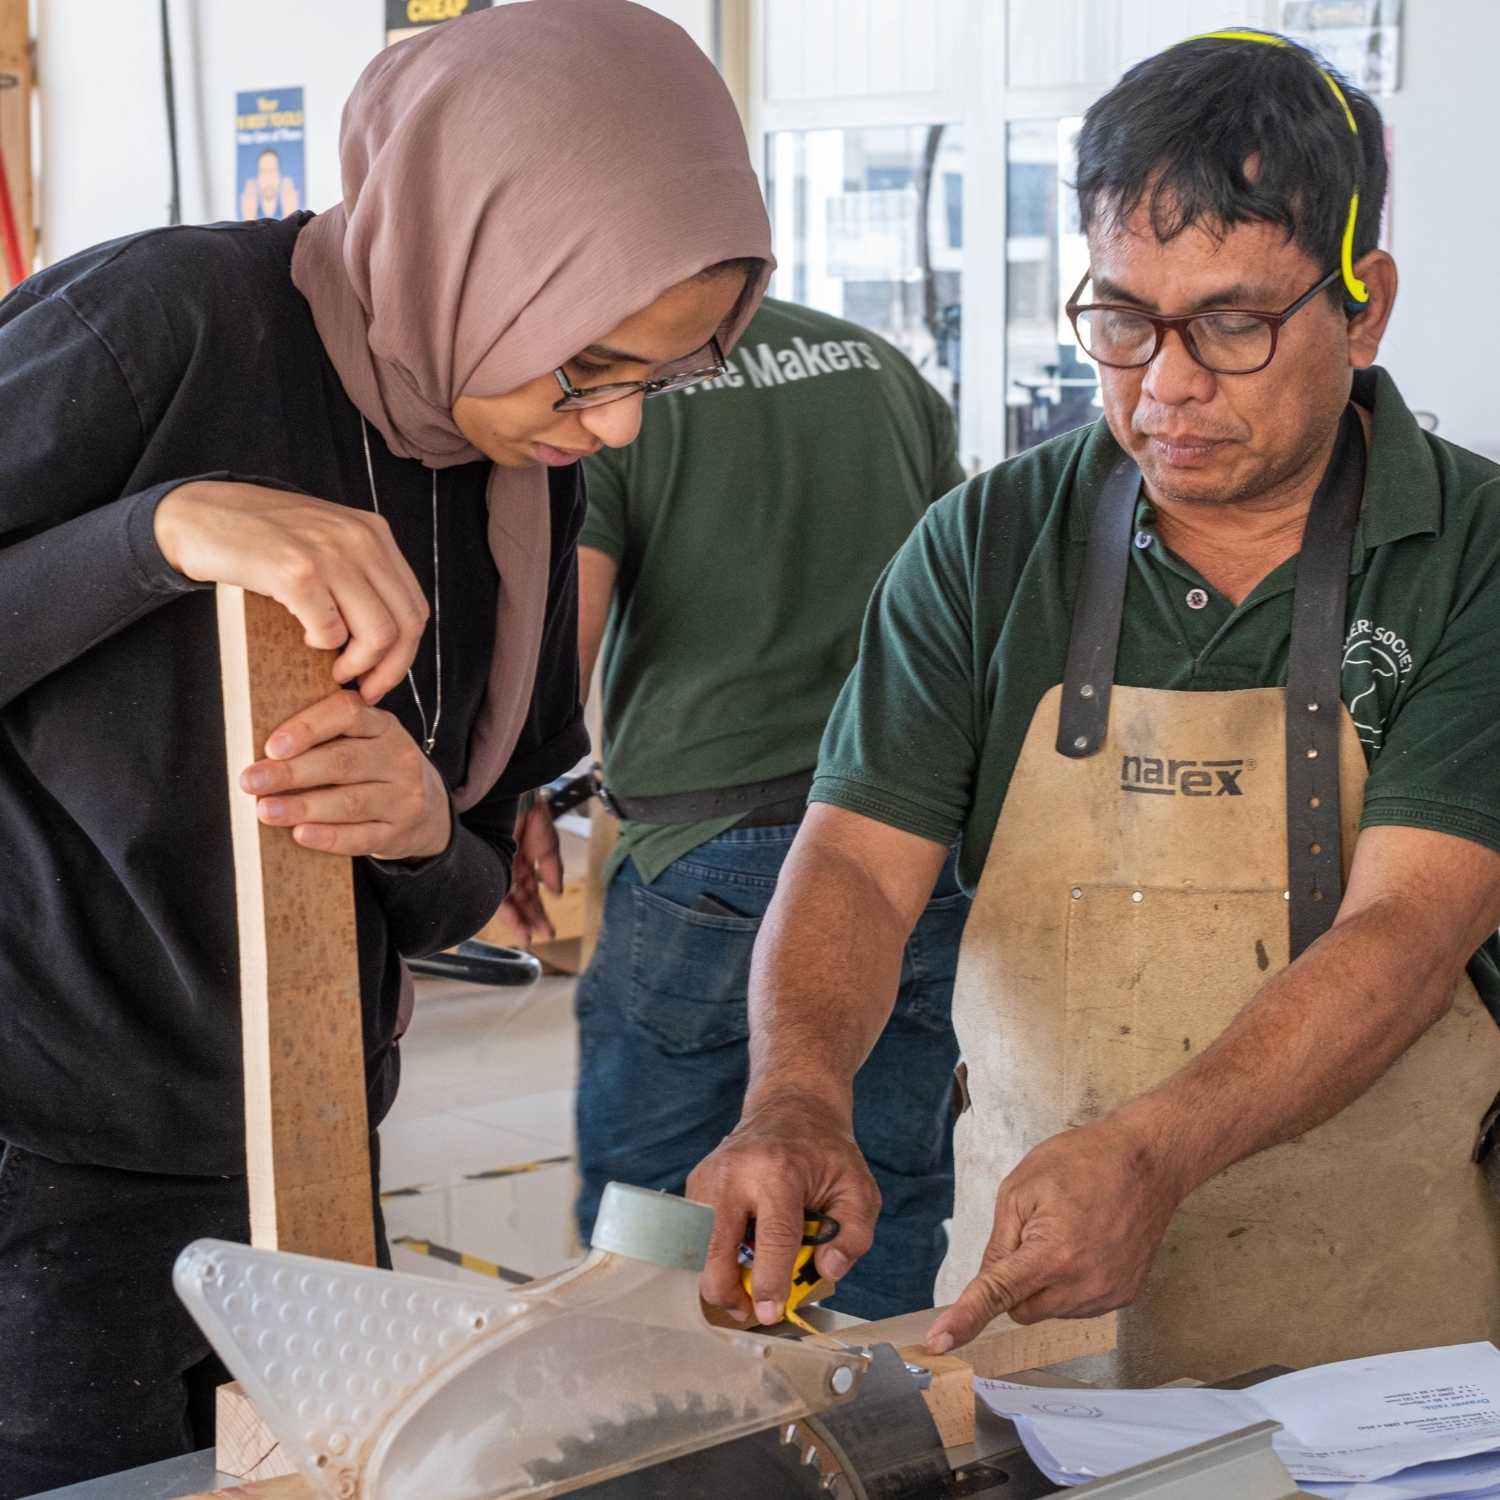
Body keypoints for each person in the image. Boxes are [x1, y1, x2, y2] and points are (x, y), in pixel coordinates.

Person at [0, 3, 769, 1492]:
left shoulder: (515, 480)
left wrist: (423, 829)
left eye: (655, 384)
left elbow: (466, 888)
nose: (610, 430)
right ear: (471, 244)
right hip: (39, 1153)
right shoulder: (162, 325)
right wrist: (157, 532)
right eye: (586, 367)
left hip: (308, 1148)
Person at [687, 30, 1500, 1383]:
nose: (1166, 385)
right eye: (1122, 319)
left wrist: (1157, 1149)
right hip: (1029, 1328)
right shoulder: (989, 541)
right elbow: (853, 865)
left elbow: (1414, 926)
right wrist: (798, 1091)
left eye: (1232, 324)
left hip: (1385, 1348)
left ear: (1364, 306)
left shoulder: (1474, 552)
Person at [504, 296, 970, 1320]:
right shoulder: (881, 367)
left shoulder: (624, 387)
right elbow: (963, 604)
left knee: (659, 1222)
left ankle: (665, 1458)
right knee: (877, 1196)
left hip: (705, 858)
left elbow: (557, 651)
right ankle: (863, 1445)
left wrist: (514, 794)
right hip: (905, 849)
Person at [241, 147, 300, 221]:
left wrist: (291, 215)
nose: (268, 178)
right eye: (263, 171)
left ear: (280, 176)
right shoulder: (249, 200)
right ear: (257, 178)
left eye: (273, 171)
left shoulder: (289, 198)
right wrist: (248, 218)